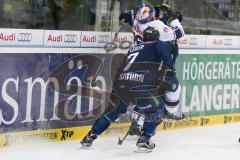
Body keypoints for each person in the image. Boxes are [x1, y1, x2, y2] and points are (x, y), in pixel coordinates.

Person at [80, 27, 181, 150]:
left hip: (121, 84)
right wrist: (170, 72)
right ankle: (145, 138)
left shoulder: (133, 48)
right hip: (140, 86)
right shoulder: (159, 44)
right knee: (158, 109)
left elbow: (123, 68)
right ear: (157, 37)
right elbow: (168, 66)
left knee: (112, 112)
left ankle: (90, 136)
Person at [119, 4, 185, 136]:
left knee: (146, 97)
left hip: (138, 63)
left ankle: (136, 124)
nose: (158, 13)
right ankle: (165, 116)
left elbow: (136, 15)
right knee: (168, 91)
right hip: (154, 64)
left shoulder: (137, 22)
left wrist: (128, 14)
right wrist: (174, 19)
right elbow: (179, 33)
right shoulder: (158, 26)